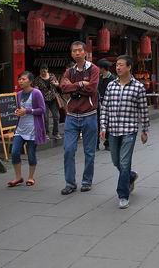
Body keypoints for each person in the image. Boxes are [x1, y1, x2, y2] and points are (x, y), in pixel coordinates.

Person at [99, 55, 150, 209]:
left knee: (124, 162)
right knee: (116, 161)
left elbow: (143, 110)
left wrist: (144, 130)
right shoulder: (111, 86)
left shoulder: (138, 87)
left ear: (129, 67)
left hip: (129, 129)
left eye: (121, 65)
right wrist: (103, 127)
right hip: (113, 129)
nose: (118, 67)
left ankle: (123, 195)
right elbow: (105, 107)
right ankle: (131, 175)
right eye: (117, 65)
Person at [60, 41, 100, 194]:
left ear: (85, 52)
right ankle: (70, 183)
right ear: (71, 54)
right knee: (68, 150)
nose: (77, 53)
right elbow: (63, 87)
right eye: (74, 51)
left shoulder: (94, 69)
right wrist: (81, 84)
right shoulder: (69, 71)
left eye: (79, 50)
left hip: (89, 115)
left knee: (89, 151)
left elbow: (92, 89)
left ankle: (87, 181)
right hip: (71, 116)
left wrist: (74, 87)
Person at [7, 71, 46, 188]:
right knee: (14, 152)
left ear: (30, 81)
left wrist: (28, 111)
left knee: (31, 154)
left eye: (23, 79)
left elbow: (42, 110)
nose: (20, 81)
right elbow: (20, 108)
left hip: (33, 128)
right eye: (19, 79)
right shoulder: (18, 94)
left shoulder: (36, 93)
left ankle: (30, 177)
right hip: (21, 128)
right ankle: (18, 177)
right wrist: (18, 112)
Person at [33, 65, 61, 140]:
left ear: (47, 70)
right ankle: (46, 133)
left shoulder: (52, 76)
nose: (43, 73)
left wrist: (55, 84)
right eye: (42, 71)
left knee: (56, 116)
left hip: (53, 99)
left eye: (44, 71)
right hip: (43, 100)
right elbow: (35, 89)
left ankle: (55, 133)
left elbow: (57, 84)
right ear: (40, 71)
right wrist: (36, 89)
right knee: (45, 117)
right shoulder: (37, 79)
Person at [96, 59, 116, 151]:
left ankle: (107, 143)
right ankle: (96, 144)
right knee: (97, 123)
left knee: (108, 124)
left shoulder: (112, 78)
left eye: (98, 67)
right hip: (98, 103)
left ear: (103, 68)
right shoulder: (99, 77)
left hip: (108, 104)